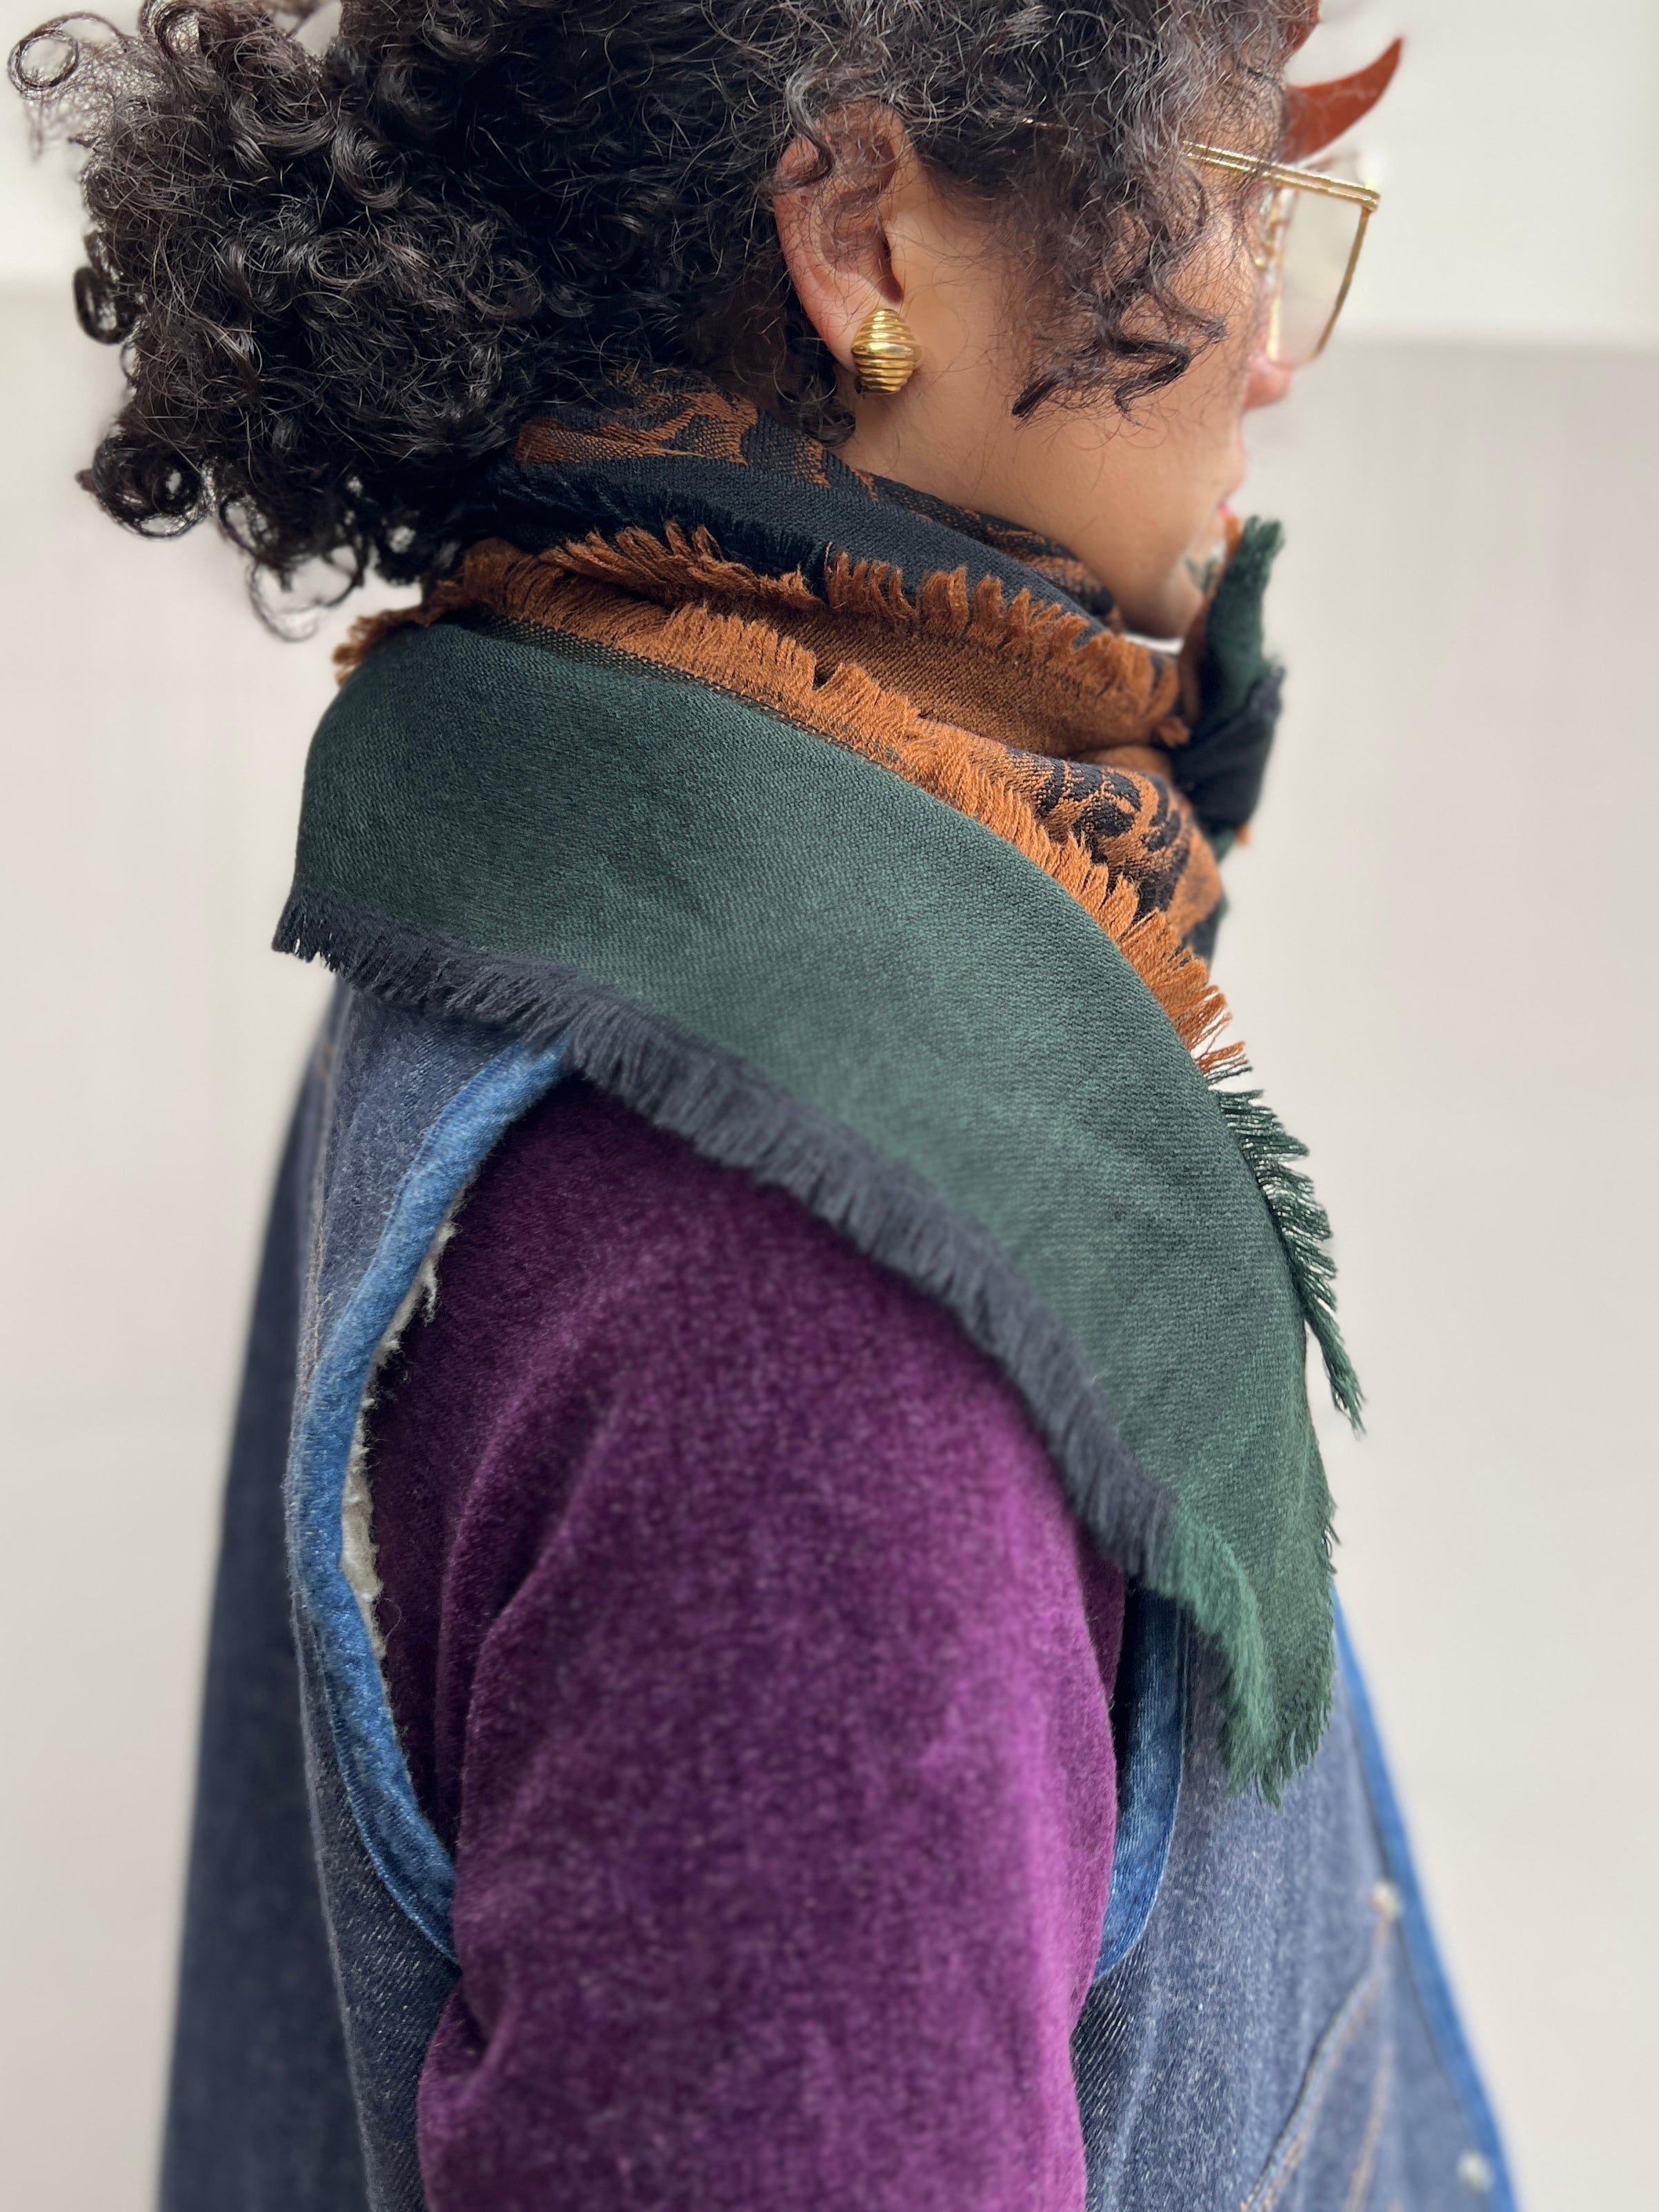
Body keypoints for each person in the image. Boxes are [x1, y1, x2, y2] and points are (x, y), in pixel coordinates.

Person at [12, 1, 1518, 2206]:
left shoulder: (536, 827)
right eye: (1234, 193)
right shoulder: (800, 1286)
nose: (1274, 347)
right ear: (867, 244)